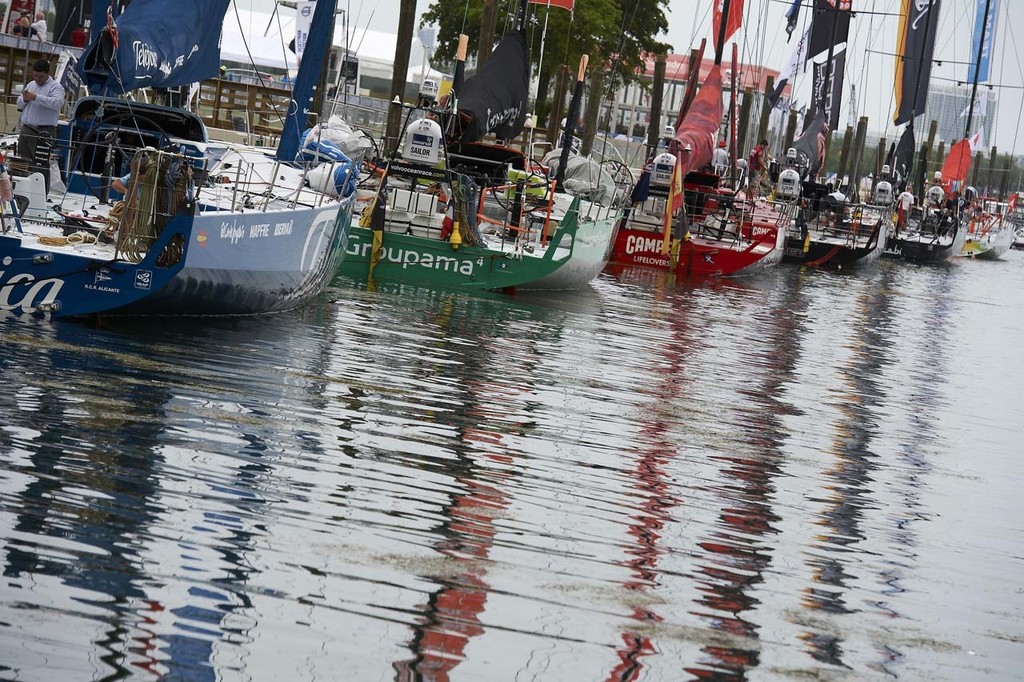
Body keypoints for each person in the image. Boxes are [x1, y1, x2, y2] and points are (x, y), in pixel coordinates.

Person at [17, 59, 65, 195]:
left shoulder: (56, 87)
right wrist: (25, 99)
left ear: (47, 74)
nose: (37, 79)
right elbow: (20, 104)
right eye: (35, 76)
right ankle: (23, 191)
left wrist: (36, 97)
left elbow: (57, 103)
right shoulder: (31, 84)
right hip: (27, 128)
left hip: (44, 130)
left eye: (41, 76)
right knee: (23, 161)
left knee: (41, 163)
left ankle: (41, 193)